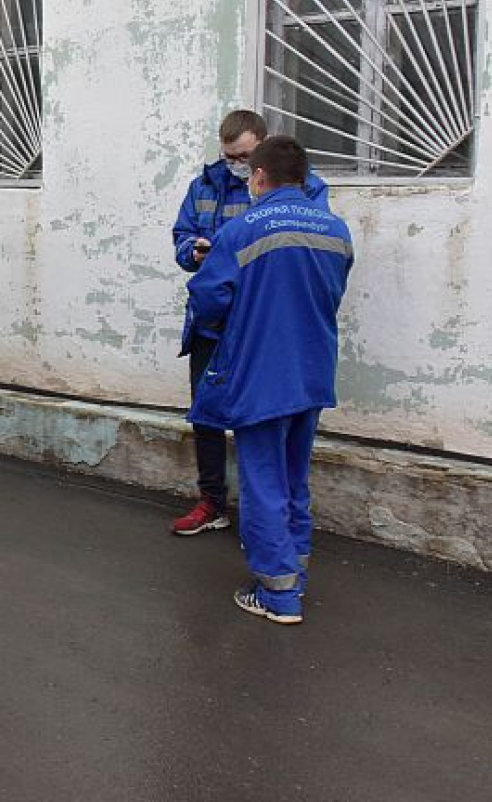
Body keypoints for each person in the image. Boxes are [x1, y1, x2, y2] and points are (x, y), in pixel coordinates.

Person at [185, 136, 352, 625]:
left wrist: (225, 332)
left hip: (261, 373)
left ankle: (277, 594)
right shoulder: (335, 229)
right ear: (304, 177)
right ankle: (294, 568)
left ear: (258, 176)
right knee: (294, 477)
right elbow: (331, 292)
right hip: (313, 370)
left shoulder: (242, 230)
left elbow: (209, 297)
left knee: (262, 481)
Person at [168, 110, 327, 536]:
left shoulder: (302, 189)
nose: (237, 165)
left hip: (264, 327)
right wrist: (194, 252)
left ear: (263, 148)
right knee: (206, 415)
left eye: (244, 157)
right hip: (213, 326)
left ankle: (270, 524)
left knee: (264, 423)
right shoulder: (204, 186)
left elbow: (311, 250)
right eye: (229, 156)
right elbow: (181, 240)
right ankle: (213, 503)